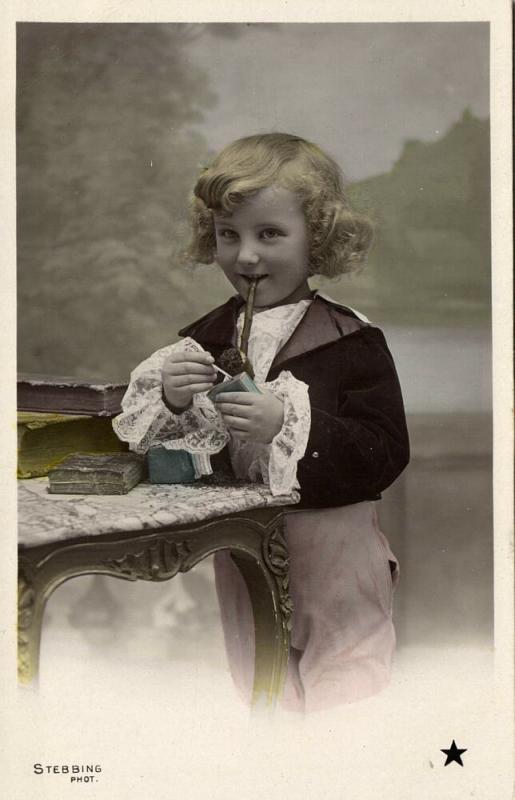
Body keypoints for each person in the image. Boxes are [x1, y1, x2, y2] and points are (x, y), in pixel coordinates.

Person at [113, 133, 410, 713]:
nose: (245, 256)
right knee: (263, 695)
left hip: (336, 555)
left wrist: (287, 425)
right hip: (242, 555)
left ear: (316, 237)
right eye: (230, 235)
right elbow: (167, 455)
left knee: (348, 698)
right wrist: (172, 402)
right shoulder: (204, 340)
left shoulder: (353, 341)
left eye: (269, 234)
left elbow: (386, 450)